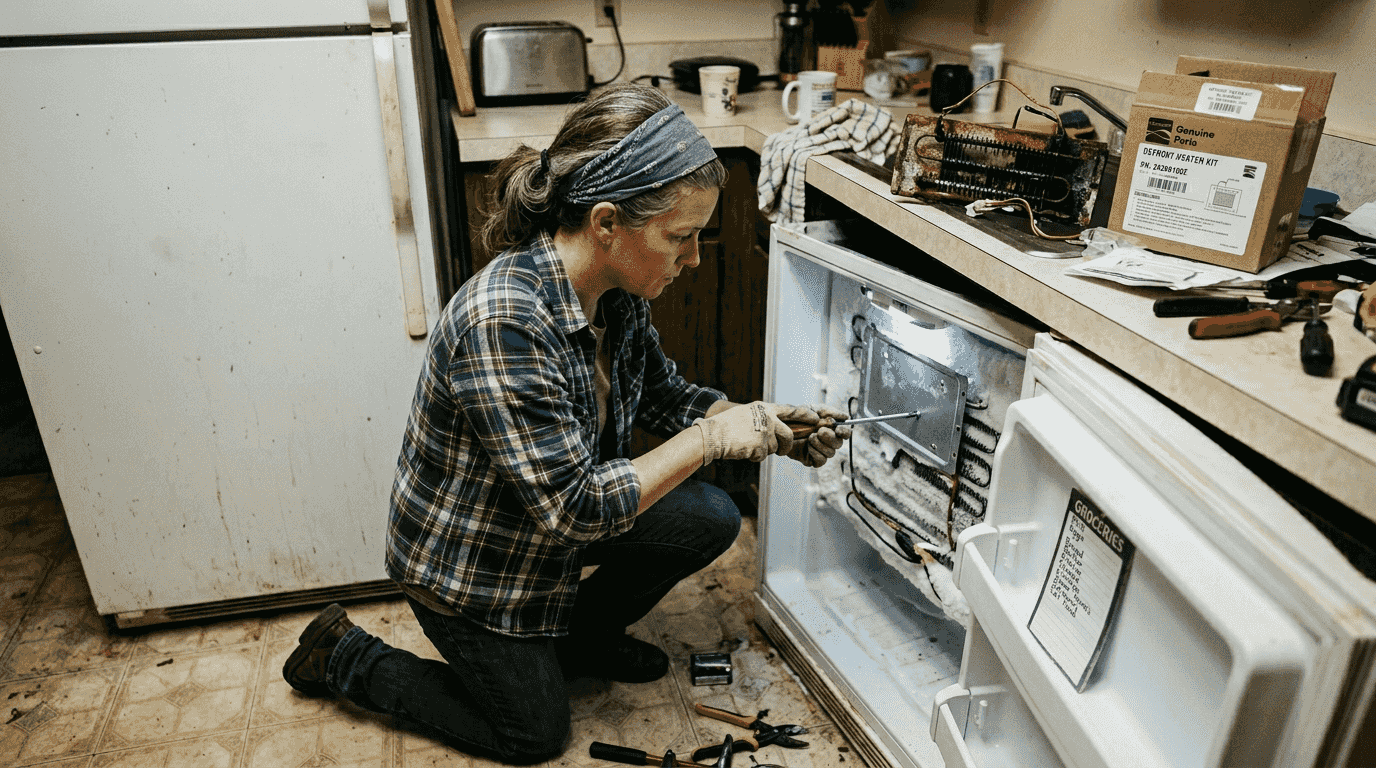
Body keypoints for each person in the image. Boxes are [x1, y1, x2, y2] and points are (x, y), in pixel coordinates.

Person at [280, 83, 851, 764]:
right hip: (476, 570)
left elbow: (666, 395)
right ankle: (345, 655)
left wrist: (753, 422)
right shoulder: (507, 321)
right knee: (533, 735)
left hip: (547, 530)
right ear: (607, 223)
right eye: (681, 238)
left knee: (710, 515)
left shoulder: (615, 293)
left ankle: (576, 638)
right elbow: (574, 510)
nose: (694, 259)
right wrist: (708, 441)